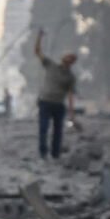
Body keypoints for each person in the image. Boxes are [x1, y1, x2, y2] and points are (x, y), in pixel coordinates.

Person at [34, 30, 77, 160]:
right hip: (45, 102)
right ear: (63, 58)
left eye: (71, 58)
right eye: (67, 57)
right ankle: (43, 153)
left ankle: (55, 154)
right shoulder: (51, 65)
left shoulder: (70, 77)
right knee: (43, 128)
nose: (68, 59)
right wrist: (39, 37)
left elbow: (70, 95)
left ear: (72, 62)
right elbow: (38, 52)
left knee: (58, 131)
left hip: (58, 105)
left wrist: (71, 113)